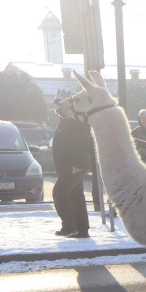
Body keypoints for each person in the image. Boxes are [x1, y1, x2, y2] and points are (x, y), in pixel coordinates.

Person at [51, 94, 93, 238]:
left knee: (59, 193)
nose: (59, 110)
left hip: (74, 166)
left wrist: (78, 164)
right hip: (66, 166)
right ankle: (82, 230)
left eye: (62, 107)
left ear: (70, 108)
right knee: (76, 197)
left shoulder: (77, 123)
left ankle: (69, 225)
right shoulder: (64, 122)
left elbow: (83, 145)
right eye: (57, 107)